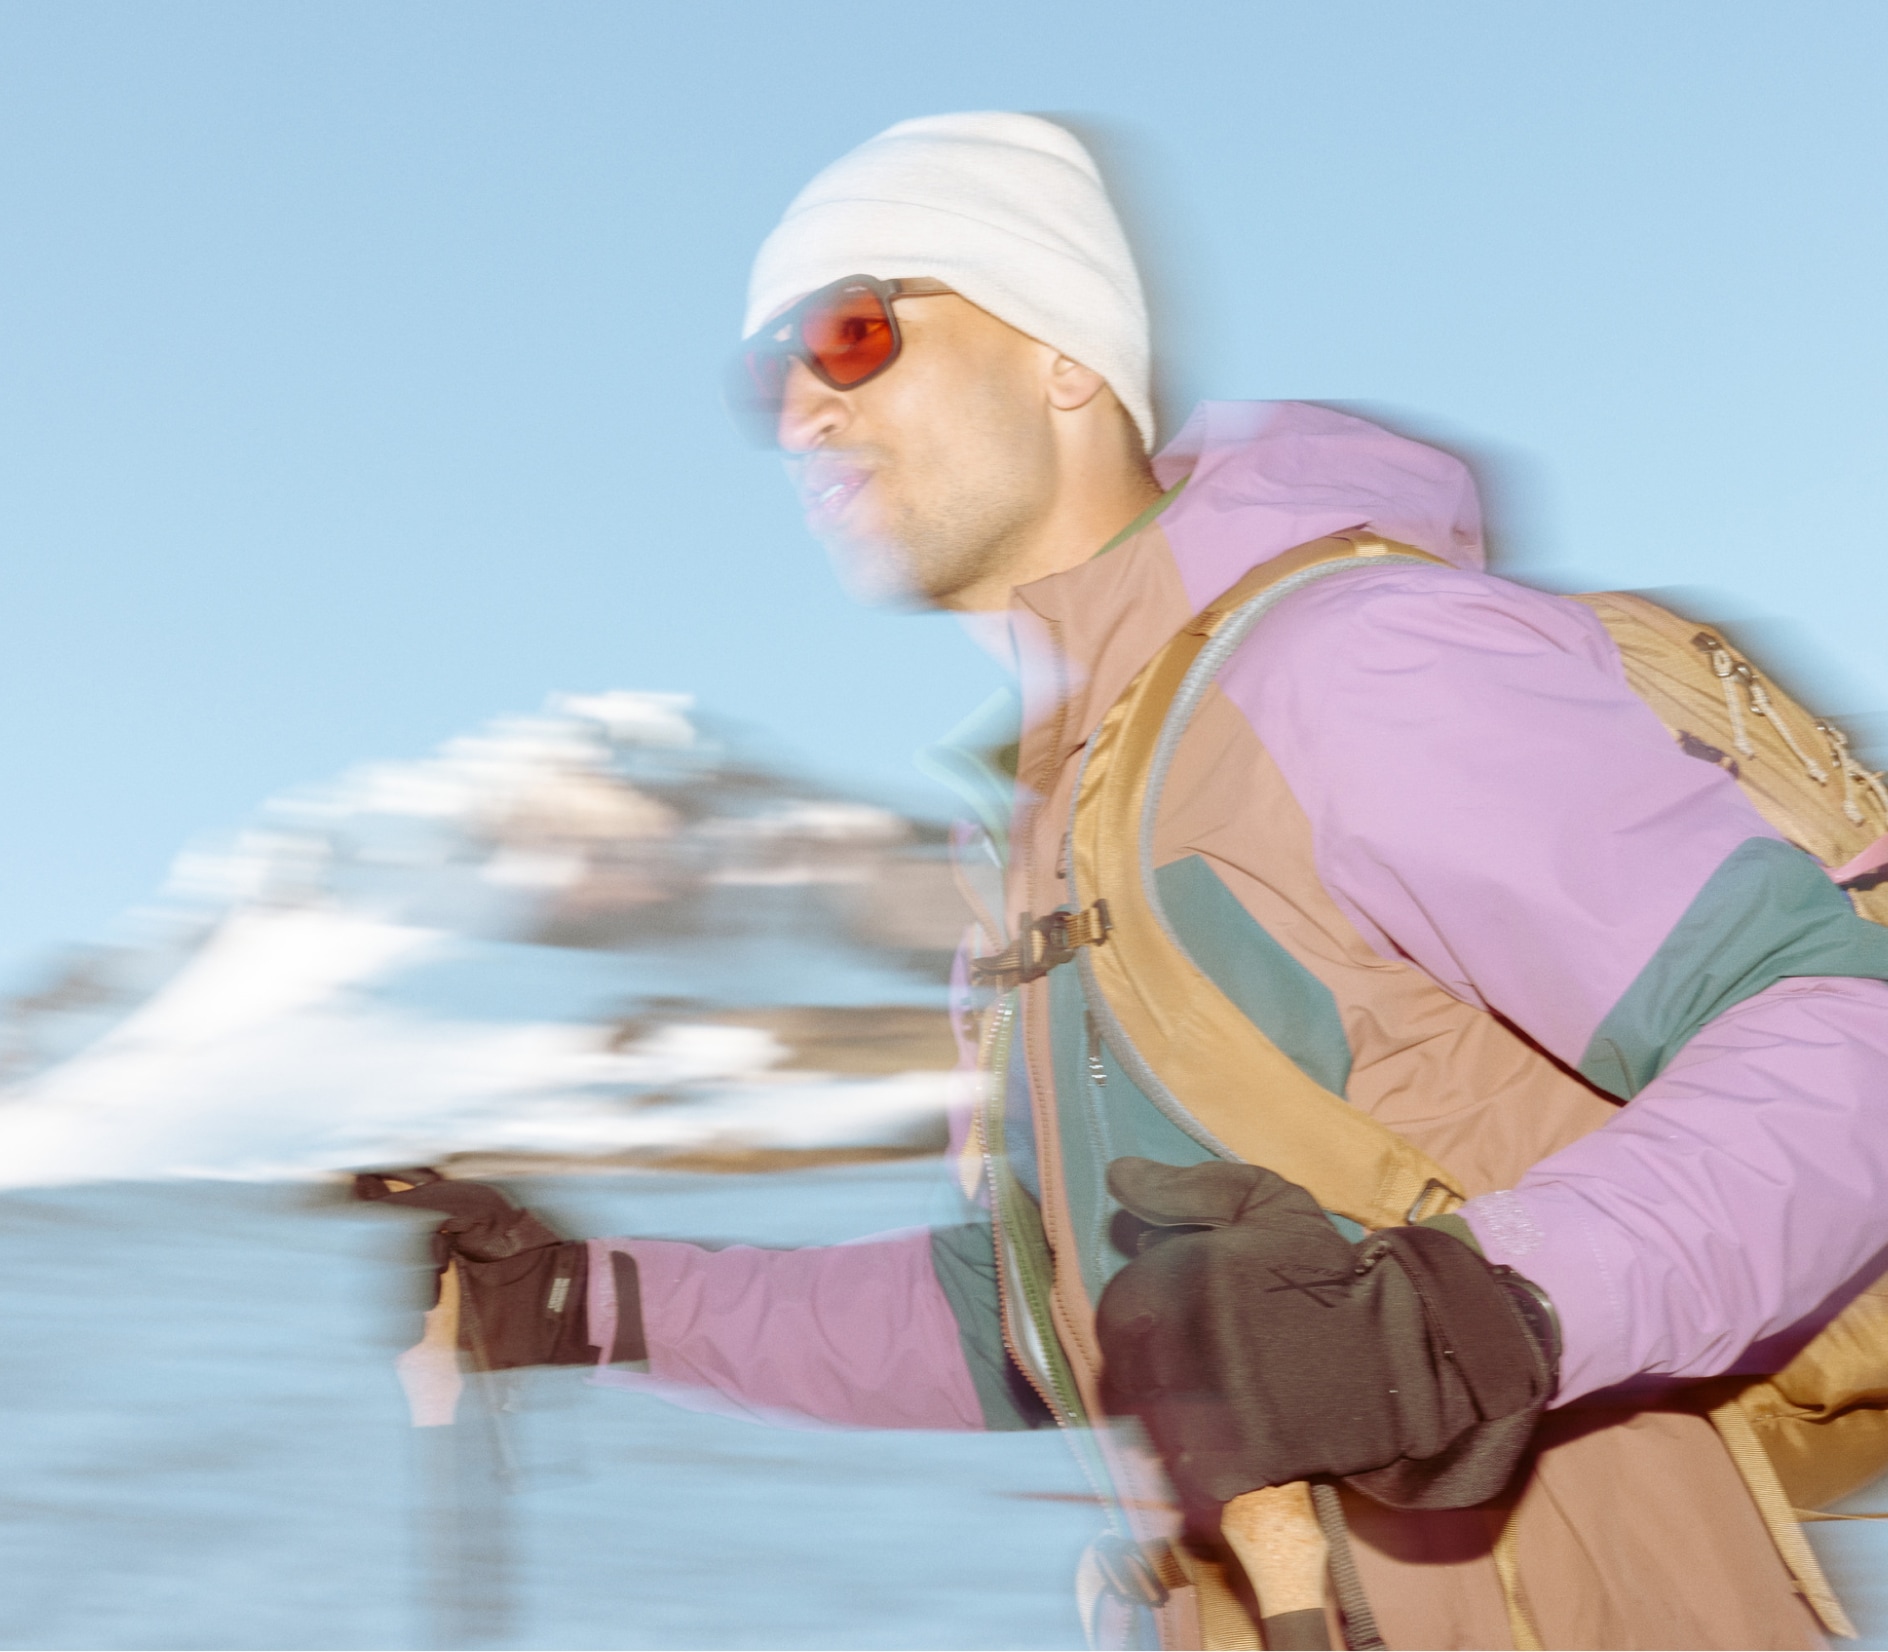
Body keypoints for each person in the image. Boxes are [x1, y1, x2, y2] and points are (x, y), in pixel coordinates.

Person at [371, 113, 1888, 1649]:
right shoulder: (1062, 824)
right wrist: (601, 1302)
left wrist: (1486, 1311)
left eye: (848, 336)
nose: (802, 419)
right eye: (770, 379)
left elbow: (1844, 1033)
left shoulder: (1352, 669)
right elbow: (1051, 1327)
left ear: (1066, 356)